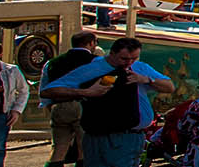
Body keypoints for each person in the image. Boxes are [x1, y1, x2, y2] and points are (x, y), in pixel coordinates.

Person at [40, 37, 175, 167]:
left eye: (134, 58)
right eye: (124, 59)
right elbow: (48, 91)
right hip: (105, 135)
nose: (129, 63)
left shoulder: (140, 67)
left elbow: (169, 87)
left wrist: (146, 79)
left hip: (134, 136)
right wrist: (86, 92)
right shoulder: (93, 68)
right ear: (112, 53)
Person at [43, 31, 100, 167]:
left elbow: (44, 88)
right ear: (91, 43)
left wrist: (50, 107)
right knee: (84, 149)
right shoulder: (96, 61)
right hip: (84, 106)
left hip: (59, 106)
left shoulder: (52, 63)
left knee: (59, 148)